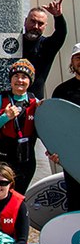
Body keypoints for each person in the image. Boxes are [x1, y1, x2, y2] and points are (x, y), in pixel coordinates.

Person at [0, 59, 40, 194]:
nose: (20, 80)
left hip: (24, 158)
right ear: (10, 80)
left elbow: (46, 132)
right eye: (16, 76)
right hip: (0, 156)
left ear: (30, 81)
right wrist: (5, 117)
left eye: (24, 77)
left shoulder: (36, 103)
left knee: (16, 199)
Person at [49, 43, 80, 210]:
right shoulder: (62, 91)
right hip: (73, 159)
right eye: (78, 57)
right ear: (72, 61)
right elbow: (54, 125)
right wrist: (54, 149)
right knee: (75, 203)